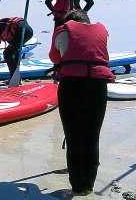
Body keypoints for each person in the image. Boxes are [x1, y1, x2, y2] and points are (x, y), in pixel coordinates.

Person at [48, 10, 114, 196]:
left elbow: (55, 57)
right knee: (92, 137)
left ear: (69, 22)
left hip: (71, 87)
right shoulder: (102, 31)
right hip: (98, 87)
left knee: (74, 137)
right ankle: (88, 184)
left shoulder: (62, 31)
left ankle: (77, 185)